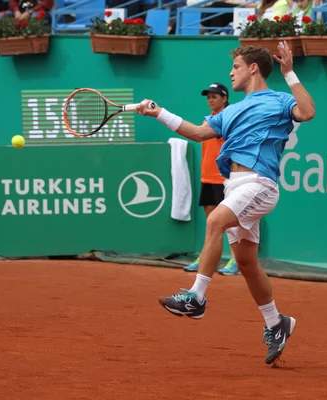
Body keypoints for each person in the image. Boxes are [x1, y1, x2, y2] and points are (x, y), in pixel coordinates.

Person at [135, 42, 316, 365]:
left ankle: (196, 297)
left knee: (215, 220)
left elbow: (307, 112)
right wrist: (158, 112)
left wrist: (289, 73)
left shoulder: (279, 101)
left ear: (253, 68)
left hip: (260, 183)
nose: (231, 73)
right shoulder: (229, 111)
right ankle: (277, 323)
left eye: (236, 67)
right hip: (234, 186)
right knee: (246, 263)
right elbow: (198, 132)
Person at [184, 82, 239, 276]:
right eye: (208, 97)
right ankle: (207, 258)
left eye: (214, 96)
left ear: (224, 98)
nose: (210, 100)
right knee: (211, 223)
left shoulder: (229, 118)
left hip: (223, 178)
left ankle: (235, 259)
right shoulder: (209, 119)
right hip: (207, 177)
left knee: (230, 223)